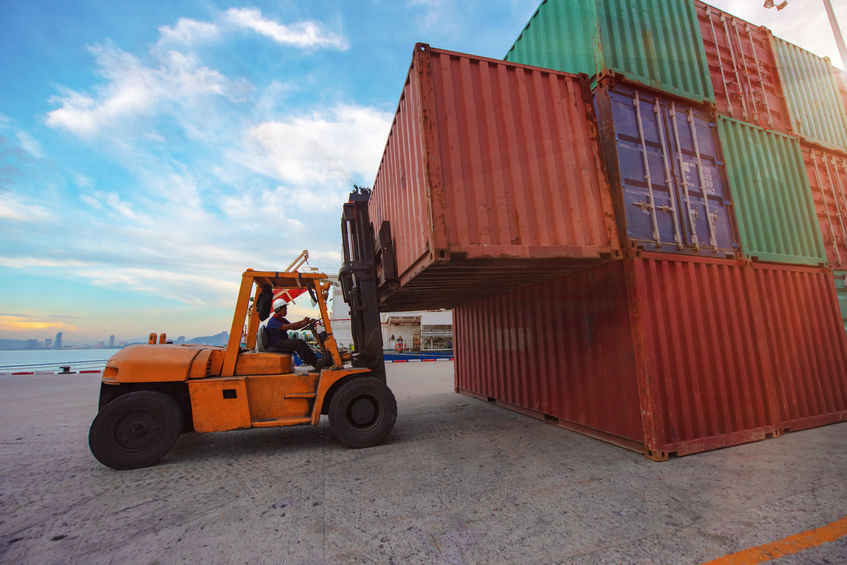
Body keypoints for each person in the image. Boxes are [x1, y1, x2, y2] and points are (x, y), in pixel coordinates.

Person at [266, 299, 329, 369]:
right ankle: (316, 363)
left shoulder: (281, 320)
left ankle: (316, 360)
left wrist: (306, 323)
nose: (286, 310)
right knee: (299, 343)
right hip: (277, 343)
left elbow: (294, 327)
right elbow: (287, 327)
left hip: (281, 342)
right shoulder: (273, 321)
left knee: (299, 342)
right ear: (278, 309)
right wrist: (302, 321)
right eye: (284, 309)